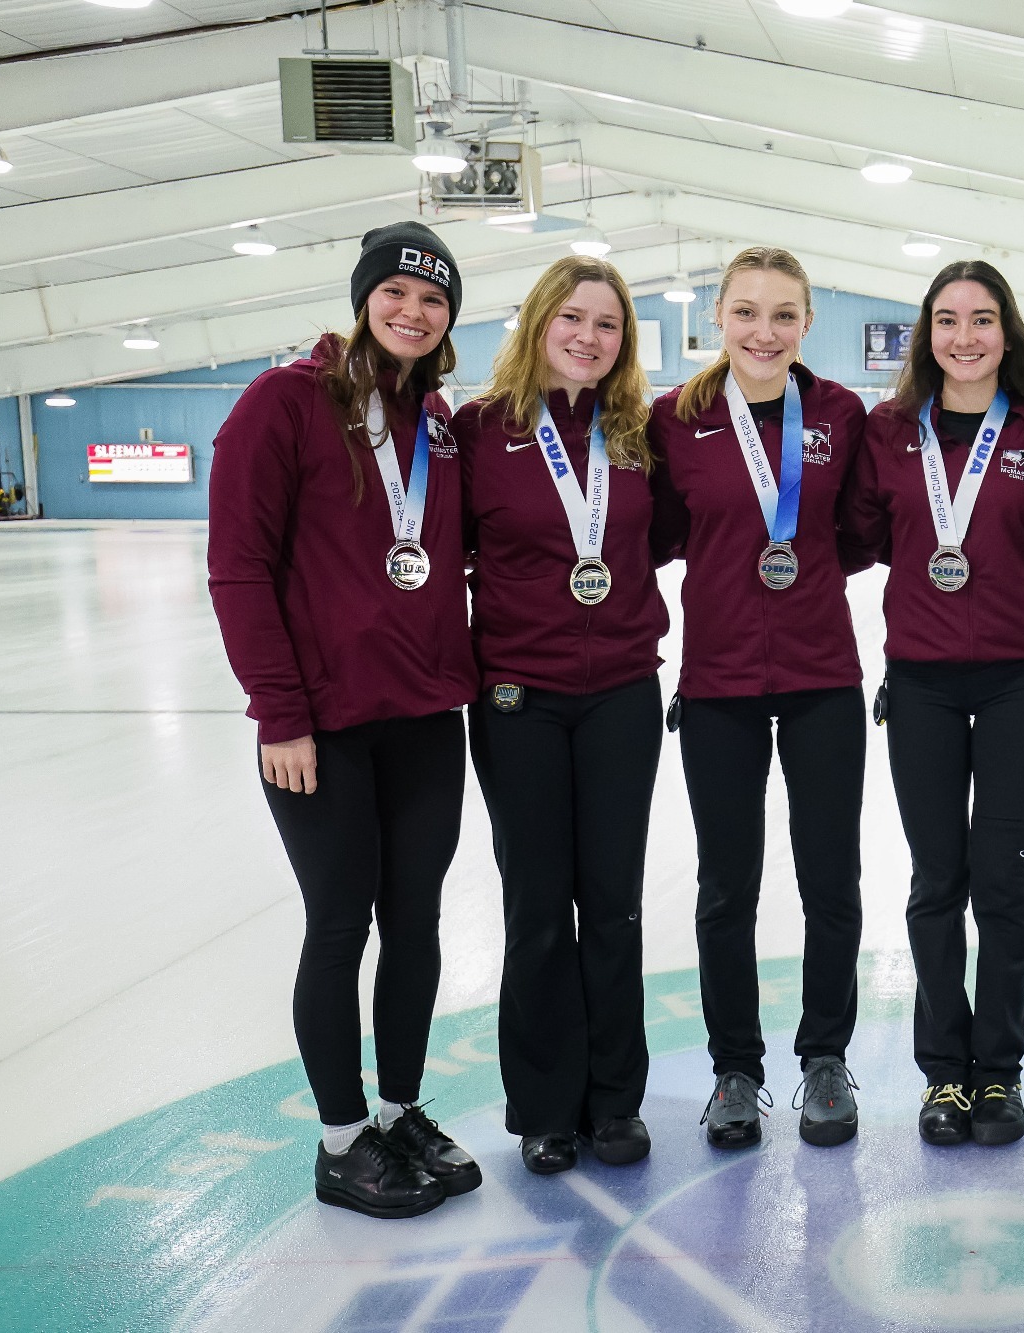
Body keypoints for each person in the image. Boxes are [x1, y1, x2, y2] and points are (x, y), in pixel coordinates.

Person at [208, 222, 480, 1218]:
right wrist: (281, 711)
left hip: (423, 719)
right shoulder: (283, 402)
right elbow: (238, 566)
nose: (412, 311)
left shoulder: (439, 424)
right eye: (396, 292)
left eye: (434, 298)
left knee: (417, 924)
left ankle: (401, 1108)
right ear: (364, 296)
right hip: (319, 727)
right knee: (339, 924)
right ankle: (337, 1139)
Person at [454, 255, 672, 1176]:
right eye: (573, 318)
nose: (589, 337)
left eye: (609, 324)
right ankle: (546, 1104)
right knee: (539, 908)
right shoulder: (476, 432)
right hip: (519, 700)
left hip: (622, 690)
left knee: (613, 907)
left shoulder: (638, 434)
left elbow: (664, 540)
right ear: (539, 321)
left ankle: (615, 1100)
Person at [648, 247, 871, 1150]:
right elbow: (659, 533)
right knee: (725, 887)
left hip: (822, 677)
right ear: (717, 319)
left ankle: (824, 1058)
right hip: (719, 684)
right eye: (746, 312)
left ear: (807, 324)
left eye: (784, 314)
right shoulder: (678, 418)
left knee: (831, 880)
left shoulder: (840, 415)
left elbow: (856, 533)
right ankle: (735, 1068)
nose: (764, 332)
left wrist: (797, 578)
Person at [843, 261, 1024, 1147]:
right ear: (924, 335)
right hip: (924, 682)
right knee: (937, 879)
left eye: (981, 320)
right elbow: (858, 534)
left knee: (1002, 876)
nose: (964, 337)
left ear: (1007, 332)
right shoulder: (889, 432)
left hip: (1018, 680)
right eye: (947, 320)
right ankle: (944, 1073)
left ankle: (1000, 1072)